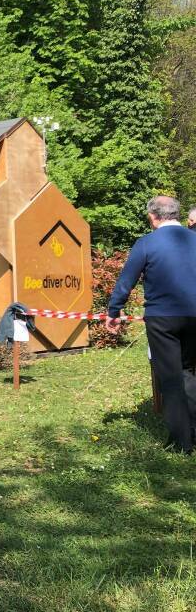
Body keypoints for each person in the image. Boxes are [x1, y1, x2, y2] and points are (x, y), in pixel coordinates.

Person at [107, 195, 196, 454]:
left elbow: (127, 280)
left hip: (163, 318)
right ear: (177, 214)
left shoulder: (146, 243)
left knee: (169, 377)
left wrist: (114, 310)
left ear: (152, 217)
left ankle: (181, 443)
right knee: (188, 370)